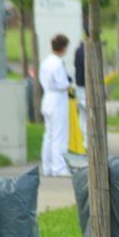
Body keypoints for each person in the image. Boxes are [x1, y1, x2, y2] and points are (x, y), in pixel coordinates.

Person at [40, 34, 71, 176]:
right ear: (63, 48)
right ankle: (59, 168)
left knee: (49, 135)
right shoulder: (58, 63)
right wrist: (70, 85)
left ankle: (47, 167)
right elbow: (62, 83)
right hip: (58, 101)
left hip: (47, 99)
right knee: (60, 135)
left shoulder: (45, 62)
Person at [73, 31, 87, 149]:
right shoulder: (86, 51)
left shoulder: (79, 50)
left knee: (83, 116)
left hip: (80, 86)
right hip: (85, 87)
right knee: (87, 116)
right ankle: (87, 143)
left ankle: (84, 142)